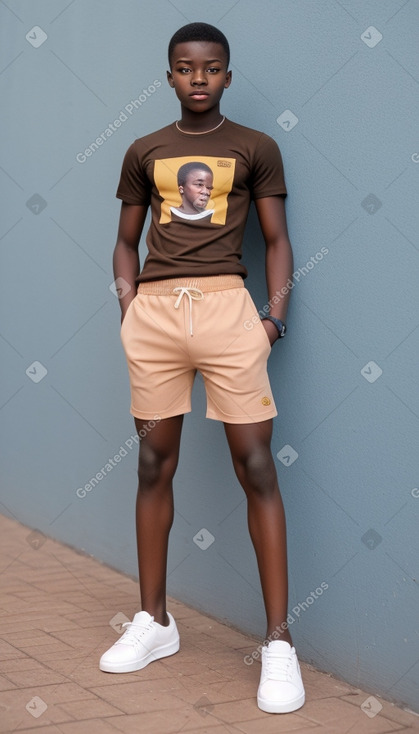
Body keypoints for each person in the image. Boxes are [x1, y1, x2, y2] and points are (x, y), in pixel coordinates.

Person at [100, 22, 305, 715]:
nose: (197, 78)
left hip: (226, 310)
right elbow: (125, 242)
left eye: (210, 68)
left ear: (226, 74)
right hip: (156, 316)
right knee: (153, 465)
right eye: (185, 68)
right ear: (168, 77)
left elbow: (276, 240)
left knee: (255, 467)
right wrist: (130, 307)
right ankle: (154, 621)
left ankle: (278, 644)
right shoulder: (142, 150)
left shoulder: (255, 147)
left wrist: (271, 320)